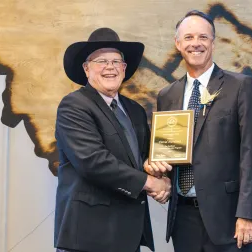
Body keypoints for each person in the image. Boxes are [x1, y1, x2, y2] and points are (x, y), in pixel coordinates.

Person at [145, 10, 252, 252]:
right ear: (178, 44)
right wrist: (156, 166)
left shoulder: (241, 86)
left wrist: (248, 213)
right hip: (183, 219)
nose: (196, 44)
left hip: (231, 220)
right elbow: (170, 151)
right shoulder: (167, 95)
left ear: (213, 43)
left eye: (203, 37)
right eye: (189, 37)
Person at [54, 27, 171, 252]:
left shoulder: (134, 110)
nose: (110, 67)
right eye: (101, 61)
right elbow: (92, 161)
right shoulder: (74, 106)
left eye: (116, 61)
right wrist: (150, 183)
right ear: (86, 69)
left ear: (125, 69)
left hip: (128, 234)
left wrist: (159, 173)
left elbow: (144, 157)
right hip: (89, 235)